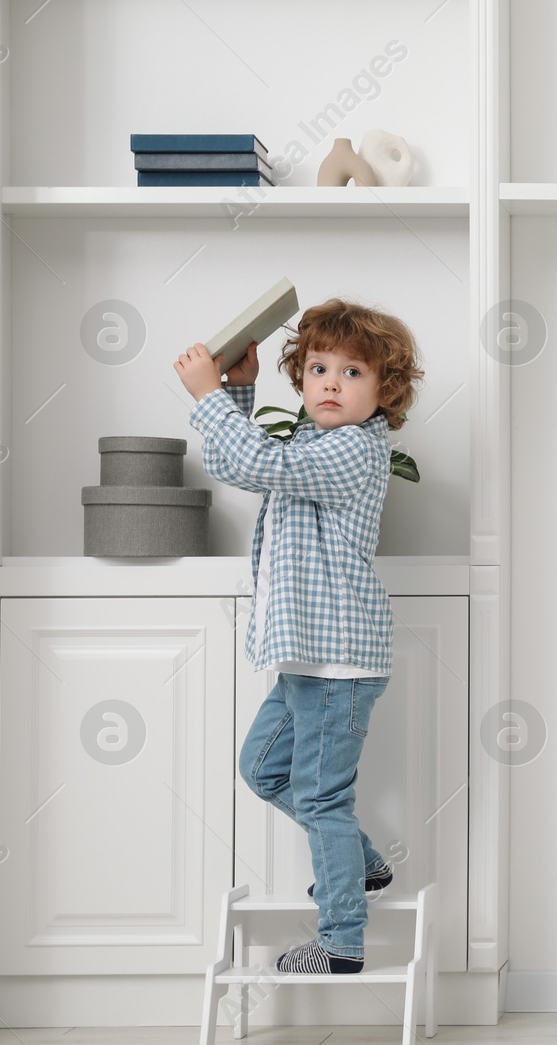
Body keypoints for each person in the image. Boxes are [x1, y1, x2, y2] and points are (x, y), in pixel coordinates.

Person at [174, 298, 423, 973]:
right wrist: (241, 390)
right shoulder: (316, 441)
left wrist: (207, 399)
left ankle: (342, 940)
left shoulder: (352, 451)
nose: (331, 383)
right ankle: (362, 863)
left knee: (322, 799)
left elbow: (258, 465)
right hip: (308, 657)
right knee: (263, 767)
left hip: (337, 662)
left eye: (352, 372)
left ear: (385, 392)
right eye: (318, 368)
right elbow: (268, 456)